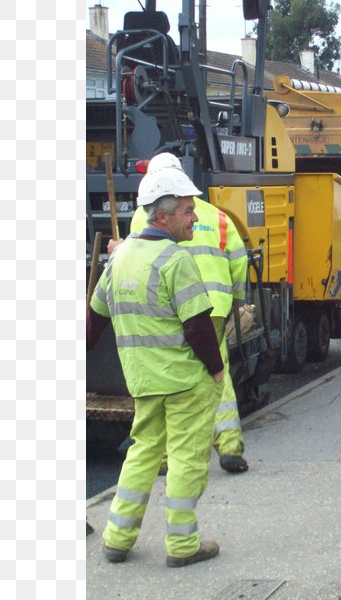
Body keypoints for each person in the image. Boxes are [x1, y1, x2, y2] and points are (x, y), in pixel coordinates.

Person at [88, 166, 223, 567]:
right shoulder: (174, 260)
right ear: (162, 217)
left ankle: (117, 538)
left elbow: (94, 320)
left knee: (142, 454)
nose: (194, 218)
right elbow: (198, 326)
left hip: (143, 381)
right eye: (187, 211)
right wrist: (216, 370)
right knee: (186, 459)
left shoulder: (120, 256)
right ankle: (183, 545)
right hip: (185, 382)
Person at [109, 153, 250, 473]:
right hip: (212, 306)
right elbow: (239, 261)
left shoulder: (143, 217)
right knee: (218, 372)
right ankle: (229, 446)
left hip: (164, 308)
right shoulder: (218, 217)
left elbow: (134, 258)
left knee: (167, 379)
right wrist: (237, 301)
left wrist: (117, 251)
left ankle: (163, 457)